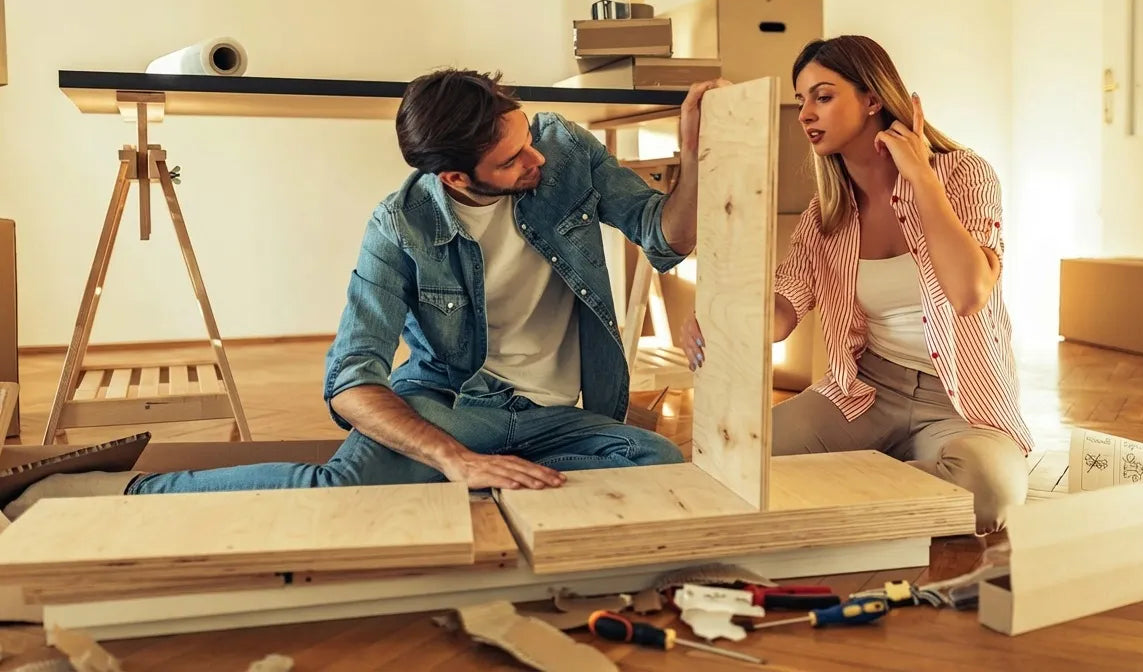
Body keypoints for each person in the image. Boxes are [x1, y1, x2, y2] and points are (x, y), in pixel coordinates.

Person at [5, 69, 721, 520]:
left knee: (659, 468)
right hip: (456, 405)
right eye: (511, 160)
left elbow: (667, 237)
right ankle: (113, 495)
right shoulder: (400, 224)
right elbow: (351, 379)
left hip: (561, 413)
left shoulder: (559, 148)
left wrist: (694, 156)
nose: (535, 158)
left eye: (525, 137)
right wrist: (452, 456)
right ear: (456, 178)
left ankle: (458, 490)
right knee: (342, 490)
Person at [683, 35, 1033, 535]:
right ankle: (881, 491)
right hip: (864, 391)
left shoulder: (964, 175)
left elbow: (969, 292)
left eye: (822, 97)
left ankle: (841, 489)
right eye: (801, 99)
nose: (805, 113)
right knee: (736, 455)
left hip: (961, 402)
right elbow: (781, 315)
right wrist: (717, 318)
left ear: (872, 98)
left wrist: (922, 180)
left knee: (990, 490)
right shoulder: (824, 214)